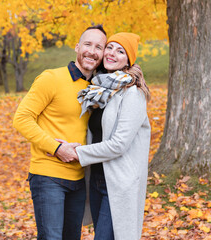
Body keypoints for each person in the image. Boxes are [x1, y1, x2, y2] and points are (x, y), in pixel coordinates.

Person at [13, 25, 107, 240]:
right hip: (48, 176)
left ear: (103, 54)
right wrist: (56, 148)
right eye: (88, 44)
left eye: (99, 47)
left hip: (78, 179)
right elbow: (21, 118)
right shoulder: (51, 78)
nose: (92, 51)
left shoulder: (96, 89)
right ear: (77, 47)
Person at [63, 32, 151, 240]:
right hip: (97, 179)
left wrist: (77, 152)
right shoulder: (100, 89)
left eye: (120, 51)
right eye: (109, 47)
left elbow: (118, 145)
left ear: (128, 60)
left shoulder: (133, 93)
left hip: (120, 181)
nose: (112, 54)